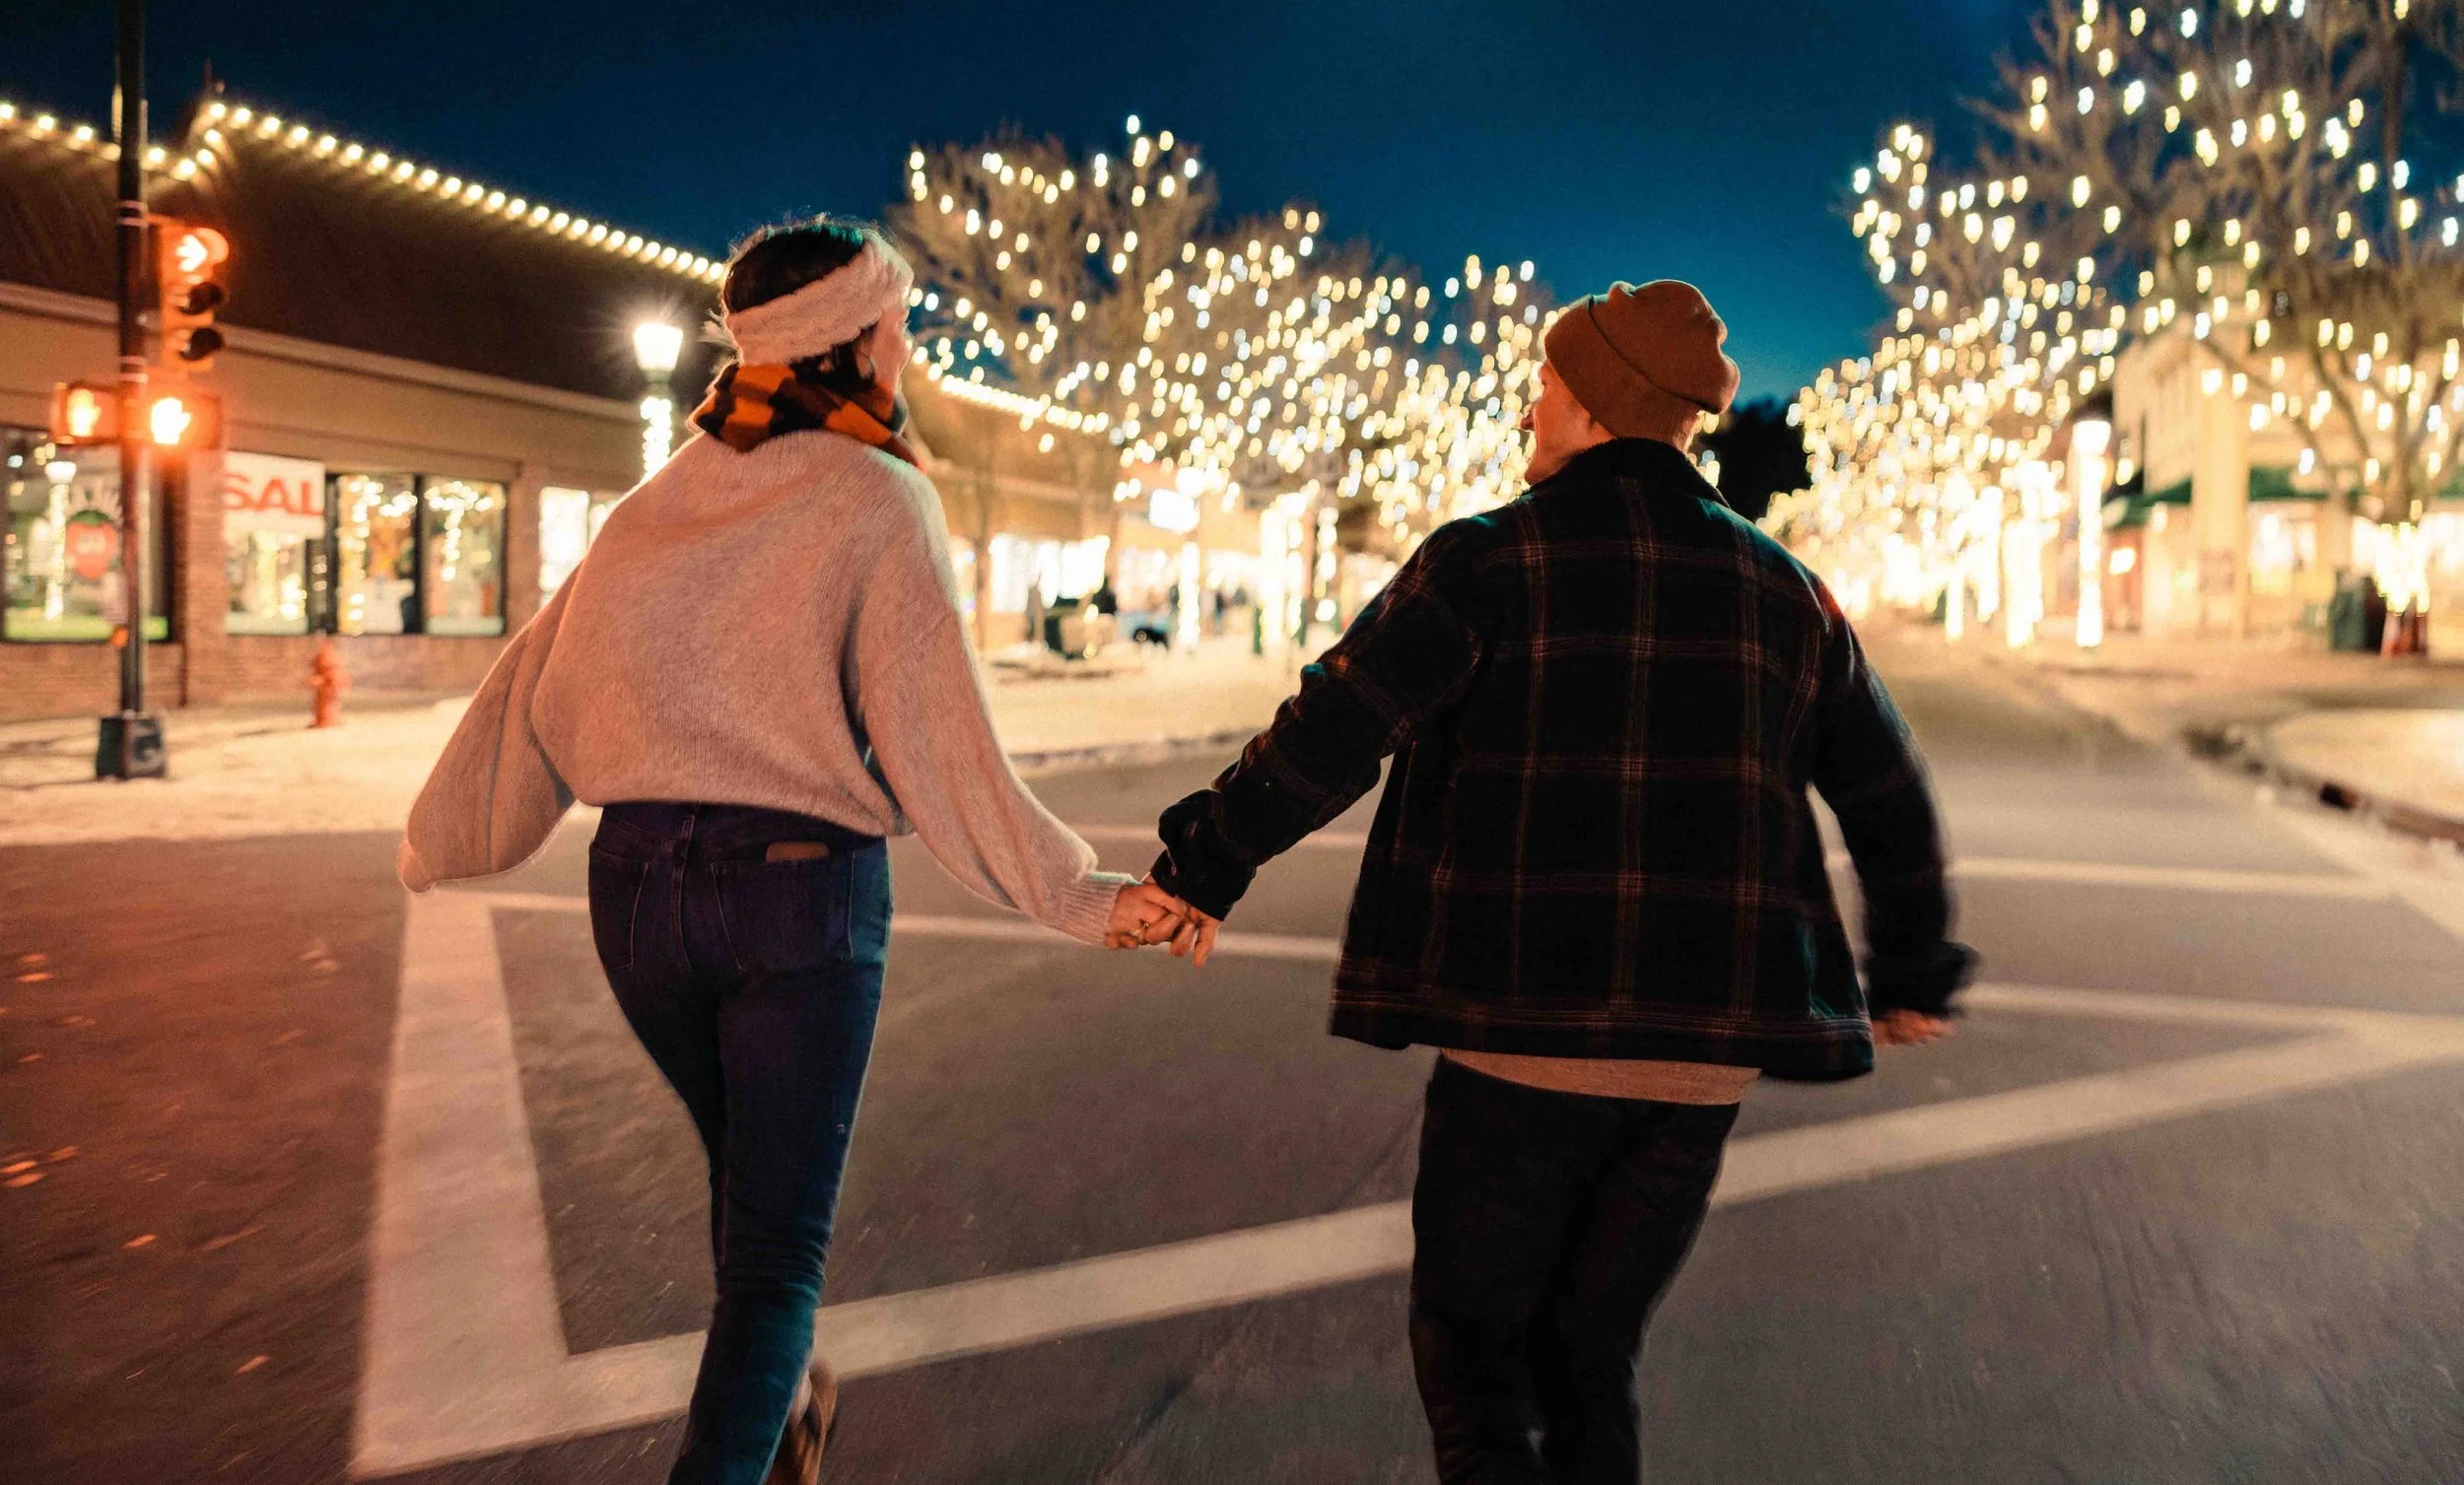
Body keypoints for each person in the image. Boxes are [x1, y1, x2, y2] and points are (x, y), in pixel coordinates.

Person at [397, 217, 1198, 1485]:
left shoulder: (657, 499)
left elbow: (538, 679)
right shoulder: (880, 494)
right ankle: (760, 1411)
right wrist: (1085, 897)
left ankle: (778, 1419)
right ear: (861, 340)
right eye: (901, 324)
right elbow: (943, 750)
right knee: (775, 1257)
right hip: (793, 899)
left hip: (637, 899)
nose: (910, 346)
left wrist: (448, 824)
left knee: (754, 1199)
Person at [1144, 280, 1973, 1484]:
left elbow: (1338, 725)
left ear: (1593, 406)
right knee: (1592, 1352)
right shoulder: (1785, 591)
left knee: (1476, 1354)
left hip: (1522, 1032)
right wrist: (1912, 964)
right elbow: (1886, 792)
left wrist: (1204, 869)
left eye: (1546, 386)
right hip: (1698, 1057)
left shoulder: (1488, 559)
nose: (1530, 408)